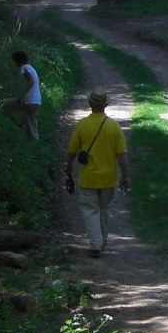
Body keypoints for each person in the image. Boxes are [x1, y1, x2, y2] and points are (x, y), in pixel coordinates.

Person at [63, 90, 129, 257]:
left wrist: (69, 165)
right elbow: (121, 155)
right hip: (108, 177)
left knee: (90, 209)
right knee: (103, 208)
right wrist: (125, 176)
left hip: (88, 177)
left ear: (90, 104)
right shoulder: (113, 126)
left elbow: (72, 150)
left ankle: (95, 244)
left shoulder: (82, 125)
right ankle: (101, 240)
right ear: (105, 105)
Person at [1, 50, 41, 139]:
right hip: (37, 101)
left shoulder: (24, 67)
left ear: (17, 60)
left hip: (28, 101)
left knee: (1, 104)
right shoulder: (31, 68)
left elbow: (31, 81)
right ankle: (35, 142)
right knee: (32, 126)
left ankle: (19, 124)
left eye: (14, 61)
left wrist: (21, 96)